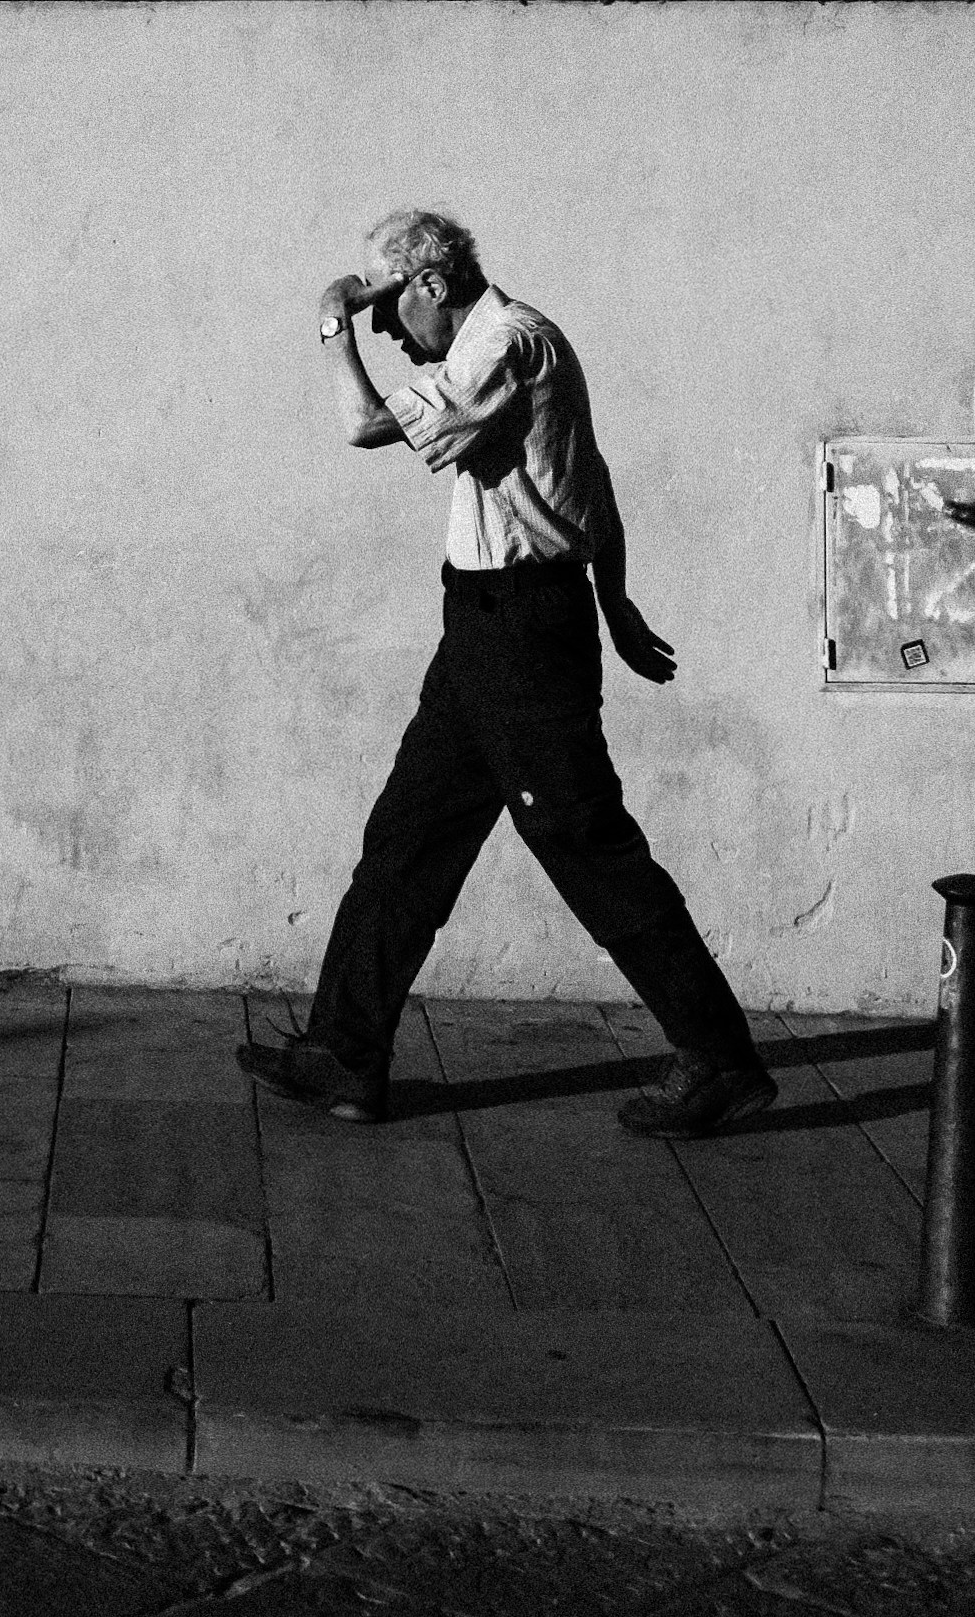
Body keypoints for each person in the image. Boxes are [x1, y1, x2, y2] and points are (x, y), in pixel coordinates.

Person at [240, 208, 779, 1141]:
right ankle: (344, 1049)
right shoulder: (493, 347)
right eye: (372, 325)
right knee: (408, 835)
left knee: (586, 844)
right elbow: (586, 480)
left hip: (522, 636)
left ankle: (721, 1060)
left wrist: (331, 323)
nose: (388, 335)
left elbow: (365, 423)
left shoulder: (508, 343)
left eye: (390, 314)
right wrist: (614, 603)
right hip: (485, 629)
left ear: (431, 287)